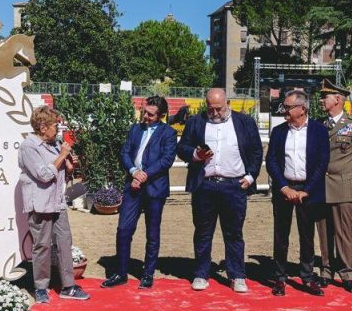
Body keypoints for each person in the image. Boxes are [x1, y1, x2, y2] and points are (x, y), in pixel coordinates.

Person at [177, 88, 262, 292]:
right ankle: (201, 273)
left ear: (228, 104)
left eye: (219, 109)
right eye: (210, 109)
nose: (214, 113)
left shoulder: (245, 122)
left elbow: (256, 151)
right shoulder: (195, 122)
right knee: (203, 232)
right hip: (204, 185)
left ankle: (237, 275)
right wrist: (196, 154)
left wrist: (250, 176)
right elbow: (182, 148)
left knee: (234, 233)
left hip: (234, 185)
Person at [102, 96, 177, 290]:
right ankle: (121, 272)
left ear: (161, 115)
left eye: (150, 115)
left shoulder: (169, 133)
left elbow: (167, 160)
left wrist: (144, 175)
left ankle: (148, 274)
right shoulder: (135, 129)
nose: (145, 117)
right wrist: (134, 171)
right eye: (144, 112)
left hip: (154, 188)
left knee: (152, 232)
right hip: (132, 186)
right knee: (123, 229)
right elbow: (124, 153)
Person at [18, 105, 90, 304]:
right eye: (55, 127)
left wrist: (69, 166)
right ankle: (41, 287)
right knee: (42, 245)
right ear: (43, 127)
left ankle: (68, 286)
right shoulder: (28, 146)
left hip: (57, 202)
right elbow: (43, 175)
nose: (58, 131)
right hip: (40, 204)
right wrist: (61, 156)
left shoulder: (55, 144)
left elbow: (59, 174)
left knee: (65, 242)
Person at [265, 89, 330, 296]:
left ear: (302, 109)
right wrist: (284, 187)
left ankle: (307, 277)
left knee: (307, 235)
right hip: (284, 189)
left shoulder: (319, 130)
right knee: (280, 235)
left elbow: (322, 162)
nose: (284, 110)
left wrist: (307, 190)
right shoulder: (279, 131)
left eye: (288, 107)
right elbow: (271, 161)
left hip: (308, 191)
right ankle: (279, 277)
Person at [315, 79, 352, 293]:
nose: (321, 100)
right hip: (322, 187)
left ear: (337, 99)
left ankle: (347, 273)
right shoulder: (319, 125)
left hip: (344, 186)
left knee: (344, 233)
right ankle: (326, 270)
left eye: (325, 96)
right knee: (324, 232)